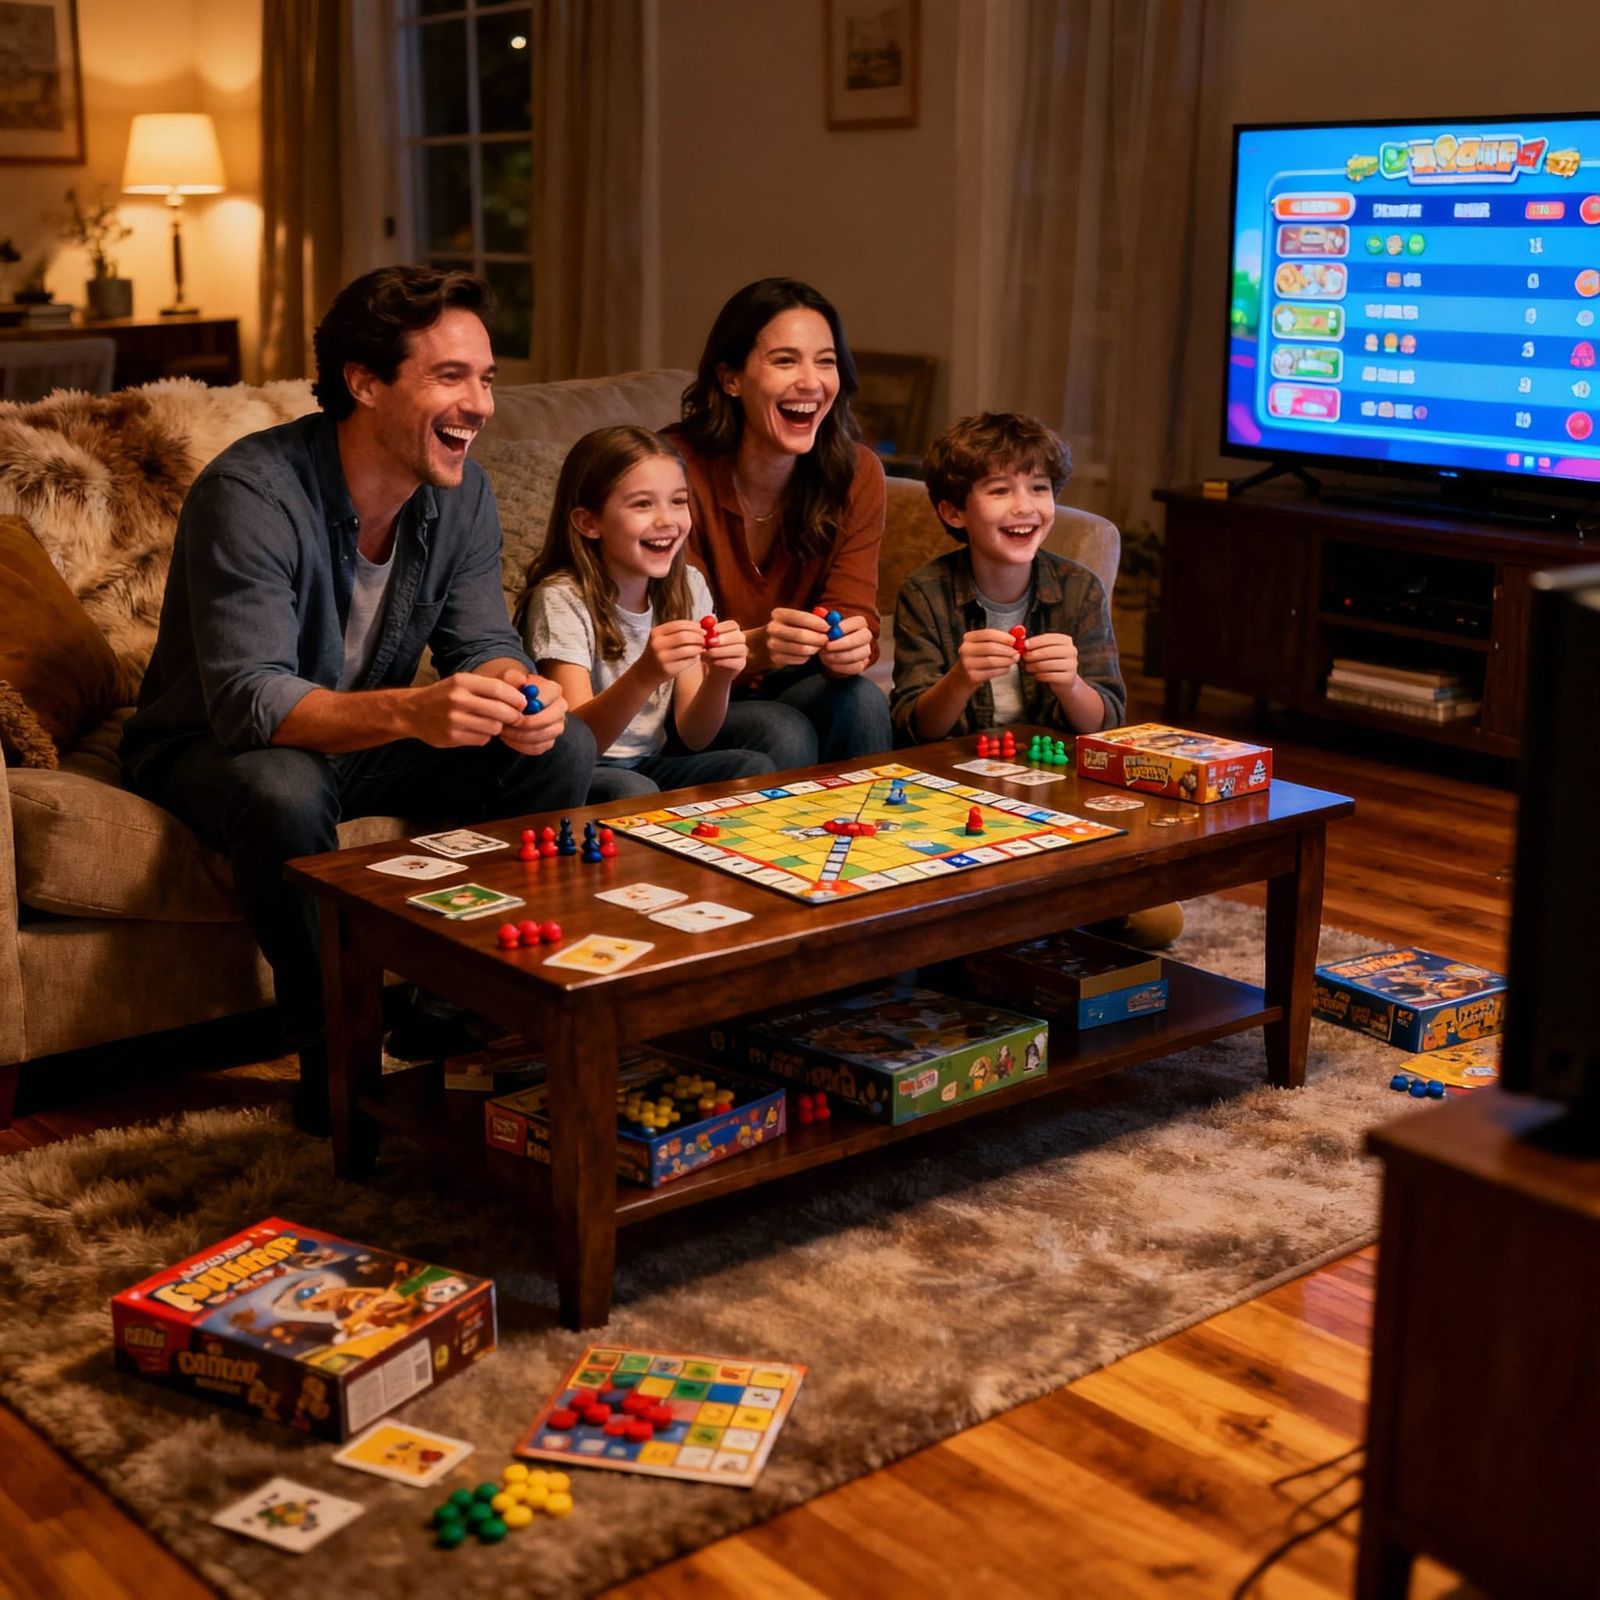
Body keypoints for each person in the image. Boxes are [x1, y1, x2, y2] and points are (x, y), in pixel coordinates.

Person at [121, 266, 596, 1134]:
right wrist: (416, 713)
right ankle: (334, 1051)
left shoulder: (465, 496)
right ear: (365, 382)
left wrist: (518, 693)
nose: (481, 404)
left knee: (563, 750)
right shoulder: (251, 493)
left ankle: (453, 1013)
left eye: (486, 378)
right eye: (450, 377)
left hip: (355, 742)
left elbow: (482, 642)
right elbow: (251, 702)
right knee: (285, 786)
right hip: (209, 747)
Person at [891, 410, 1180, 947]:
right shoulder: (925, 592)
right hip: (957, 798)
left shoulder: (1079, 590)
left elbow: (1107, 722)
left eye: (1040, 488)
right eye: (1000, 490)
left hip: (1055, 797)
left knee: (1158, 922)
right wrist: (959, 679)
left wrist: (1071, 684)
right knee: (939, 919)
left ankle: (1034, 916)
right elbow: (915, 729)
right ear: (954, 512)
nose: (1025, 507)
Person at [663, 277, 893, 766]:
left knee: (863, 700)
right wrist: (754, 647)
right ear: (731, 378)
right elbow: (664, 636)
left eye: (825, 361)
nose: (811, 382)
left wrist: (851, 644)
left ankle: (876, 838)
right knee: (781, 731)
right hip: (686, 696)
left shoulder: (857, 473)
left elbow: (855, 611)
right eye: (785, 360)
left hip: (791, 679)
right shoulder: (673, 469)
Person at [513, 425, 775, 801]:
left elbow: (694, 735)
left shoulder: (688, 585)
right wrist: (644, 676)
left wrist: (719, 675)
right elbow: (577, 744)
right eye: (642, 504)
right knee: (633, 789)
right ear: (589, 522)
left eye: (678, 501)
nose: (667, 520)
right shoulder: (561, 599)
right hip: (582, 771)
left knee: (754, 770)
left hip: (651, 763)